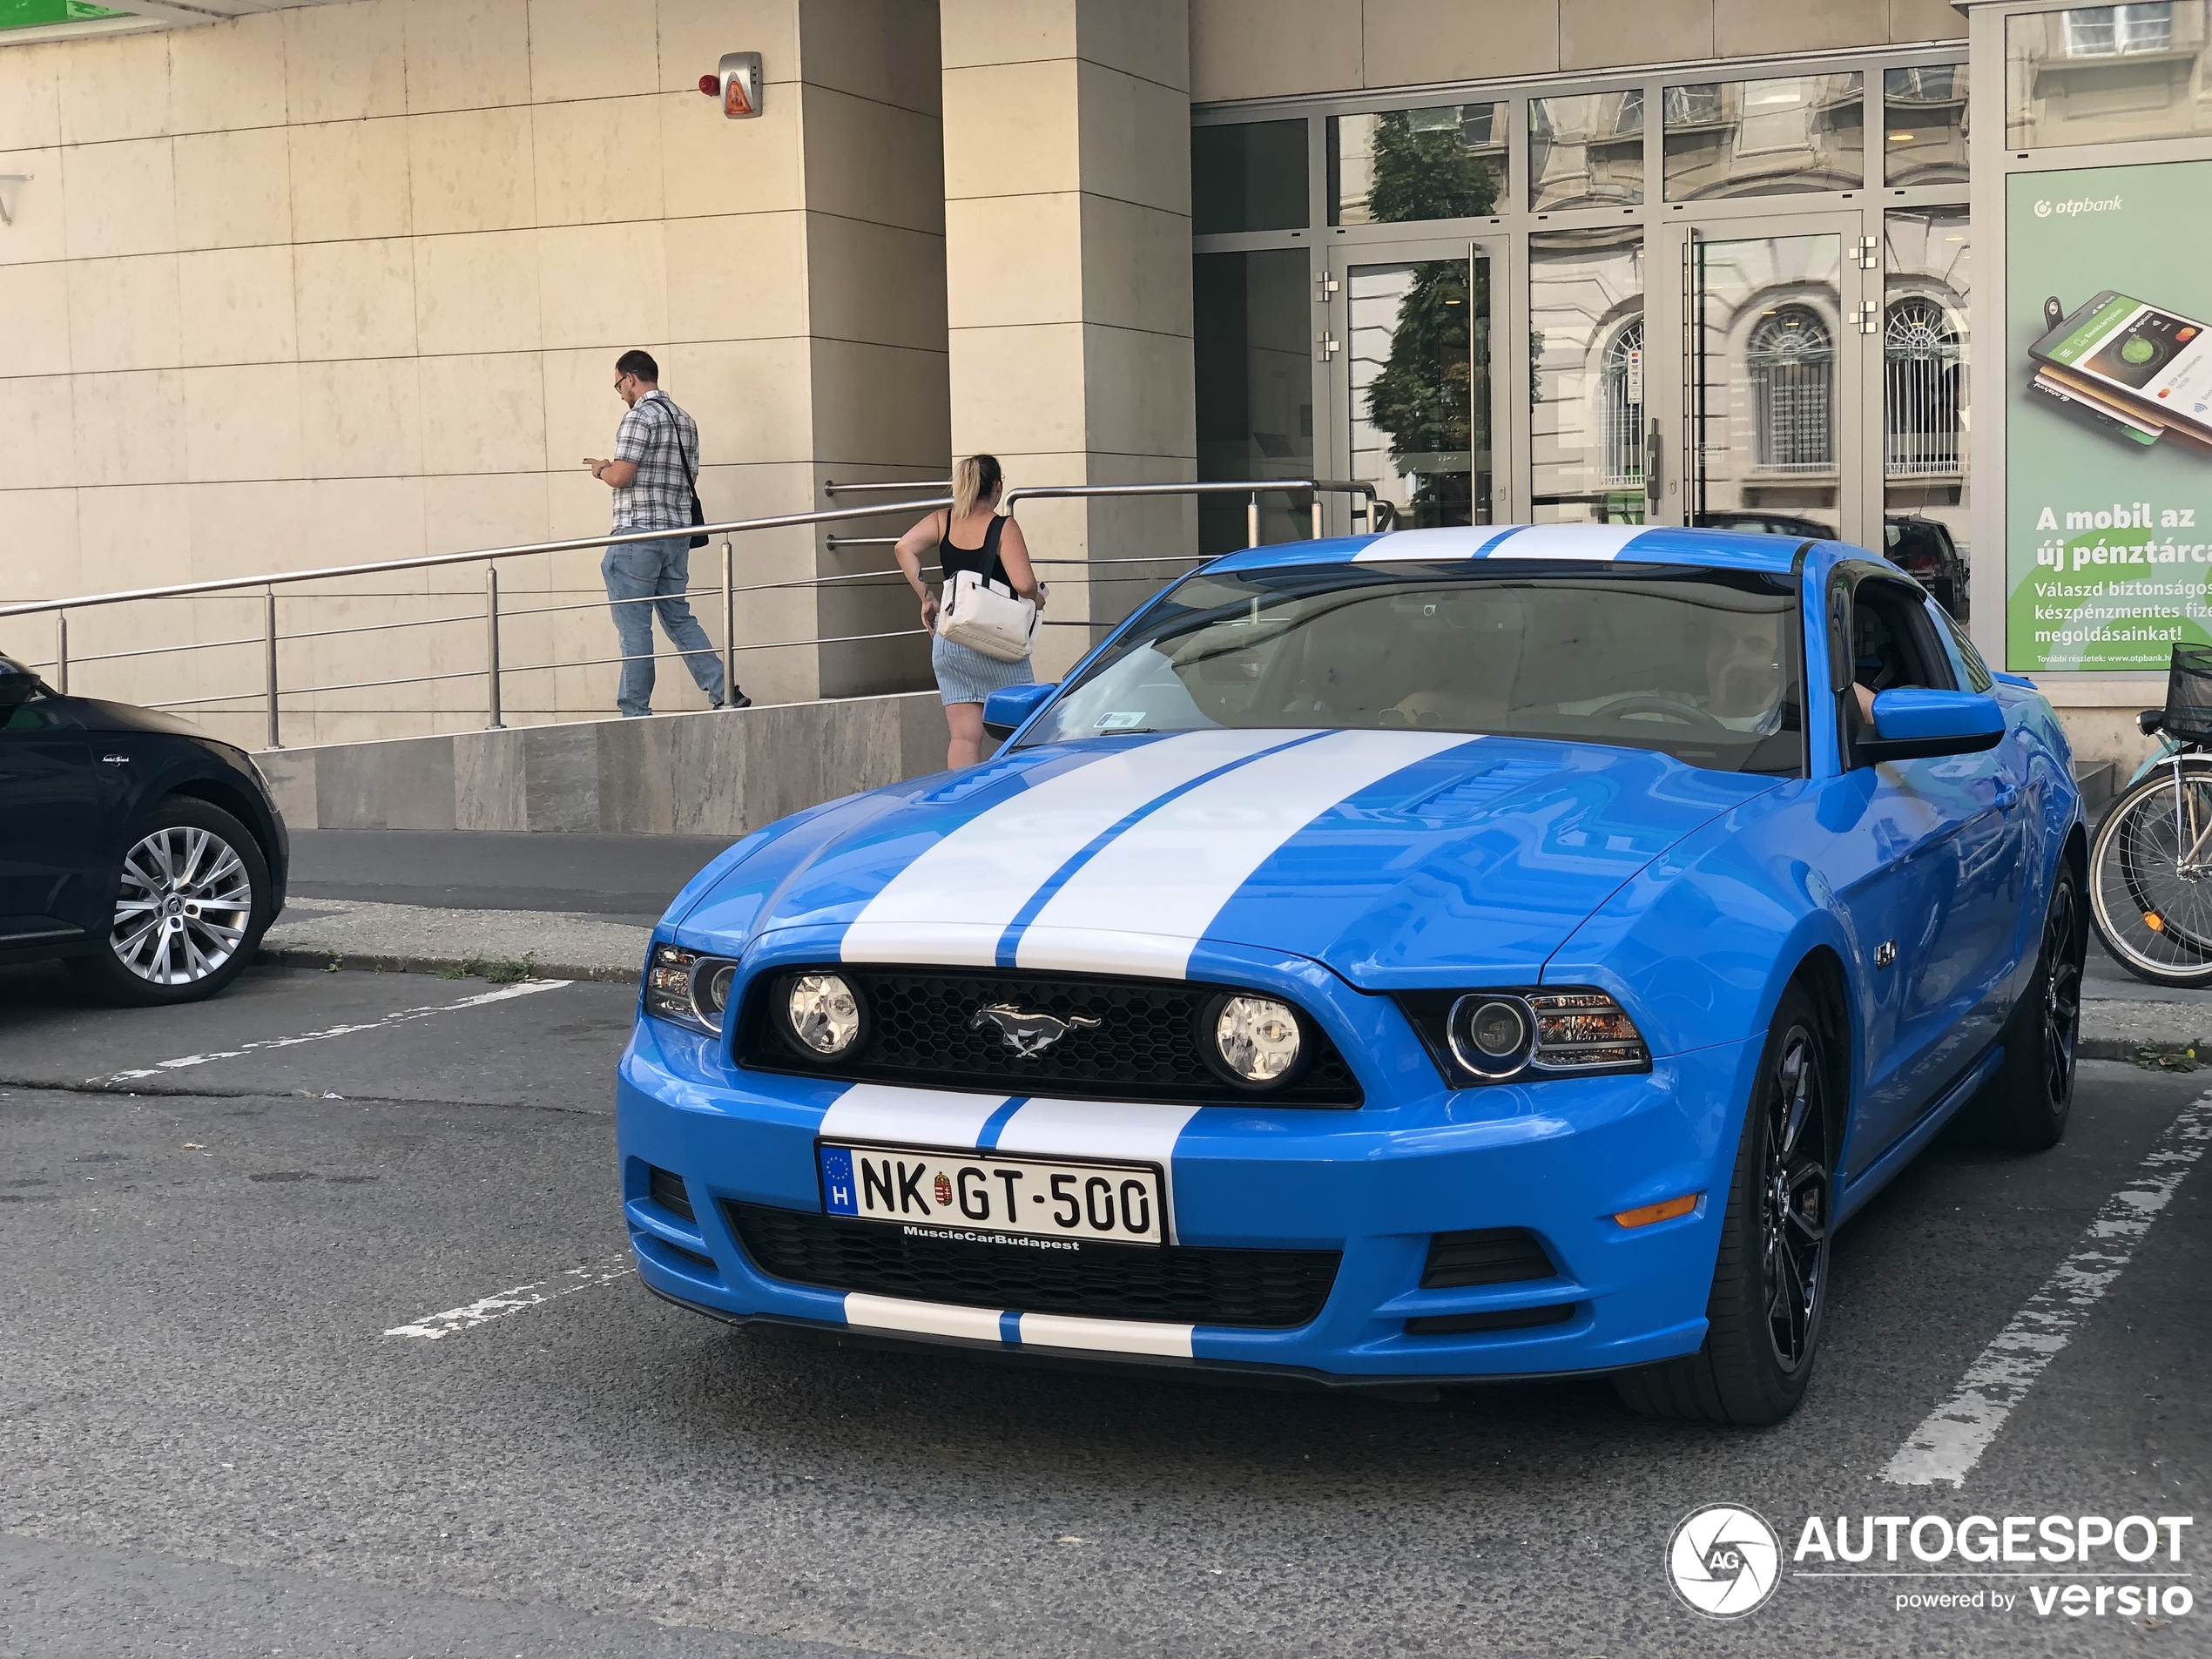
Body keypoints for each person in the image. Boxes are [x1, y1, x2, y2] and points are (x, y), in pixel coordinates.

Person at [582, 350, 746, 718]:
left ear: (630, 379)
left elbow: (622, 477)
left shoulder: (638, 417)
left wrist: (601, 469)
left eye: (618, 385)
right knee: (677, 615)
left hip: (637, 536)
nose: (620, 393)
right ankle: (724, 690)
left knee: (634, 625)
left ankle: (635, 710)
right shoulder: (685, 421)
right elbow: (690, 481)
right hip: (676, 535)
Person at [894, 455, 1043, 769]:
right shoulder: (1003, 526)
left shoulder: (942, 520)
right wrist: (1038, 600)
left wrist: (927, 598)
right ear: (998, 487)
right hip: (997, 639)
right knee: (1022, 732)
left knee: (963, 737)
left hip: (951, 637)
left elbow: (903, 547)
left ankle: (964, 807)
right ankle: (1015, 800)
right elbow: (1025, 584)